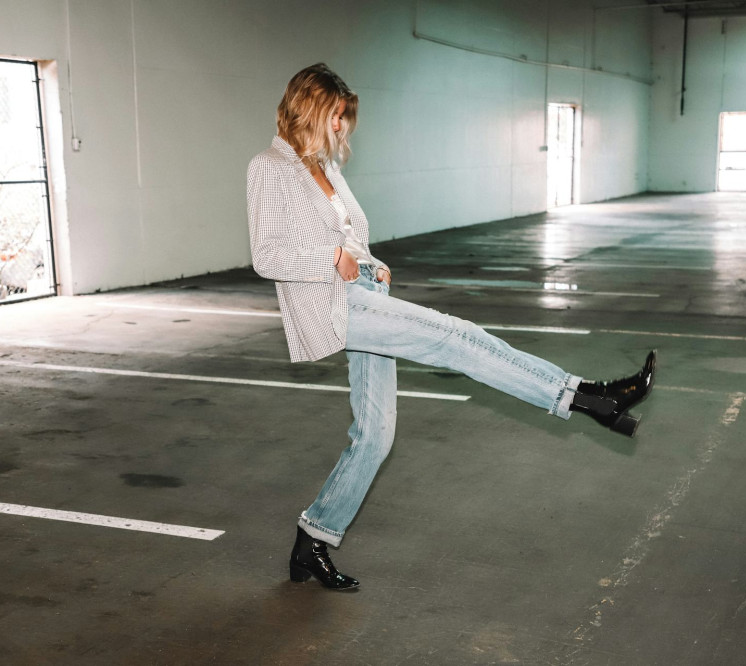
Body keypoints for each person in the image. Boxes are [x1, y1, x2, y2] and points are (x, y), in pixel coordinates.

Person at [247, 63, 656, 591]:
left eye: (344, 117)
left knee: (374, 437)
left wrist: (369, 262)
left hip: (363, 292)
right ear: (308, 107)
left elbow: (348, 236)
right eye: (335, 115)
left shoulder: (322, 166)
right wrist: (330, 257)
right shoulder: (269, 166)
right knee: (456, 336)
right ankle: (588, 397)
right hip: (333, 306)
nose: (341, 126)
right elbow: (267, 255)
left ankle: (312, 541)